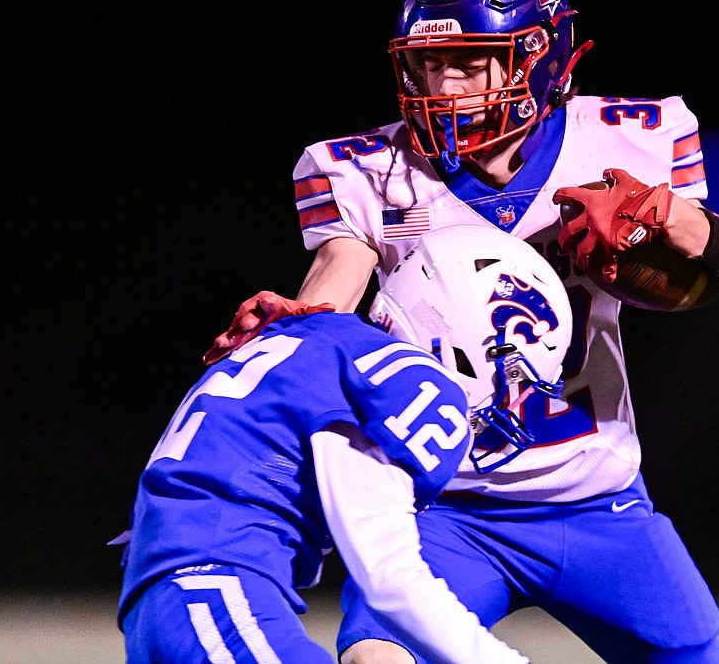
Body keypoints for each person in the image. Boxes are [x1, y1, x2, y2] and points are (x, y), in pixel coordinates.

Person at [210, 0, 719, 663]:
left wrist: (671, 216)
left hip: (597, 499)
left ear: (537, 59)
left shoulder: (622, 142)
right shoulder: (371, 173)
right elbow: (334, 281)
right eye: (429, 63)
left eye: (466, 61)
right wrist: (291, 337)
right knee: (375, 658)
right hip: (442, 508)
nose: (443, 84)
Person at [118, 226, 574, 663]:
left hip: (171, 596)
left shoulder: (307, 335)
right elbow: (391, 581)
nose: (509, 396)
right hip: (217, 588)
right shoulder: (402, 378)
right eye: (512, 371)